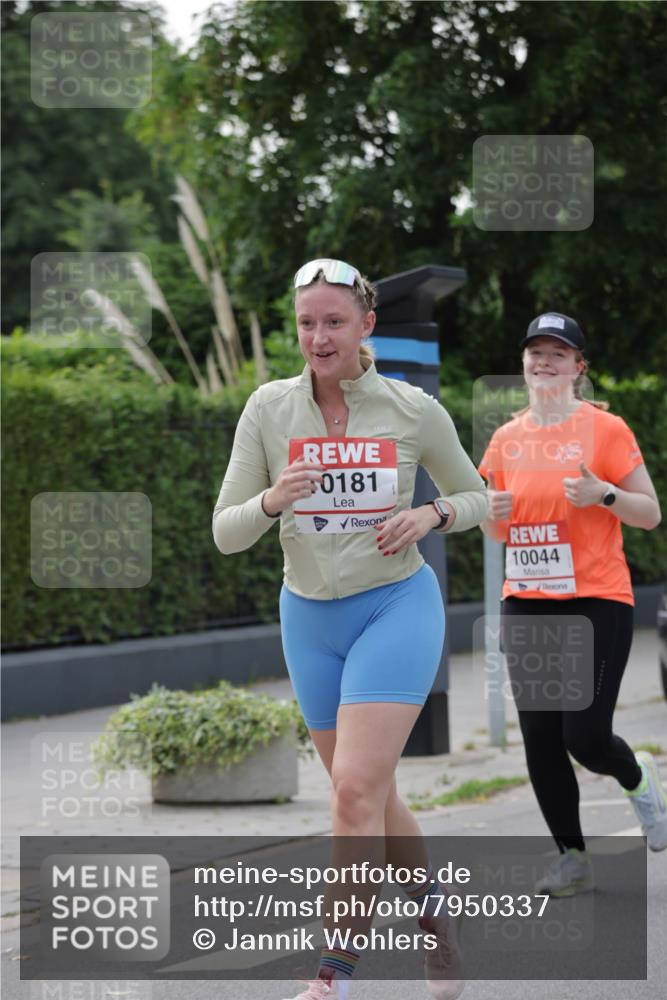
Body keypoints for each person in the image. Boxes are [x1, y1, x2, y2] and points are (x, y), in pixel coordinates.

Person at [212, 258, 487, 999]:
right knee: (365, 794)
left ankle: (330, 975)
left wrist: (430, 513)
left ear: (367, 325)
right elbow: (224, 532)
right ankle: (436, 920)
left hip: (394, 607)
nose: (318, 337)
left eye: (333, 321)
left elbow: (478, 497)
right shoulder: (268, 409)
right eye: (306, 323)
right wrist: (273, 499)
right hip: (307, 617)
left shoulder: (411, 409)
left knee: (352, 792)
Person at [479, 312, 666, 897]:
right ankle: (572, 858)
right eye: (535, 351)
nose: (544, 361)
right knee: (539, 735)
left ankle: (638, 778)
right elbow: (495, 531)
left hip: (595, 600)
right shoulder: (506, 438)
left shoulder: (606, 430)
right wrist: (494, 514)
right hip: (527, 601)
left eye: (558, 353)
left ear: (579, 368)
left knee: (584, 738)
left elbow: (650, 513)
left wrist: (602, 494)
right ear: (524, 364)